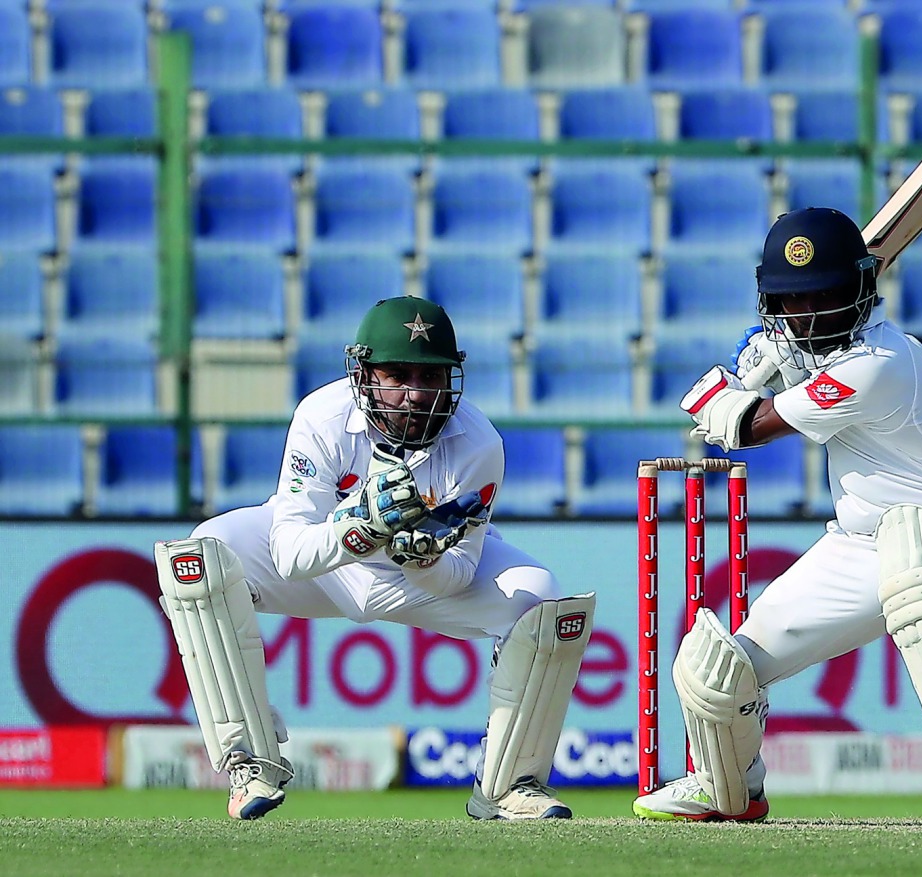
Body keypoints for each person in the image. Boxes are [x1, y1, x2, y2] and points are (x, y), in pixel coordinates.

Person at [632, 208, 922, 827]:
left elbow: (748, 428)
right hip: (857, 543)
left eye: (824, 296)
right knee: (721, 670)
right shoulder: (822, 356)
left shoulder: (882, 361)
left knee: (920, 582)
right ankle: (727, 786)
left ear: (861, 292)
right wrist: (773, 364)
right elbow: (792, 381)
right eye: (793, 301)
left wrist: (729, 390)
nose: (808, 313)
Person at [154, 296, 595, 821]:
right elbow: (290, 553)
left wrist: (422, 558)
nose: (415, 394)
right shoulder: (322, 416)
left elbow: (457, 576)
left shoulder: (479, 445)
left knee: (542, 600)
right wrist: (363, 526)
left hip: (417, 580)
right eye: (398, 374)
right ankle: (250, 763)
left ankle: (509, 786)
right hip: (326, 565)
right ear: (363, 374)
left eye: (431, 376)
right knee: (204, 556)